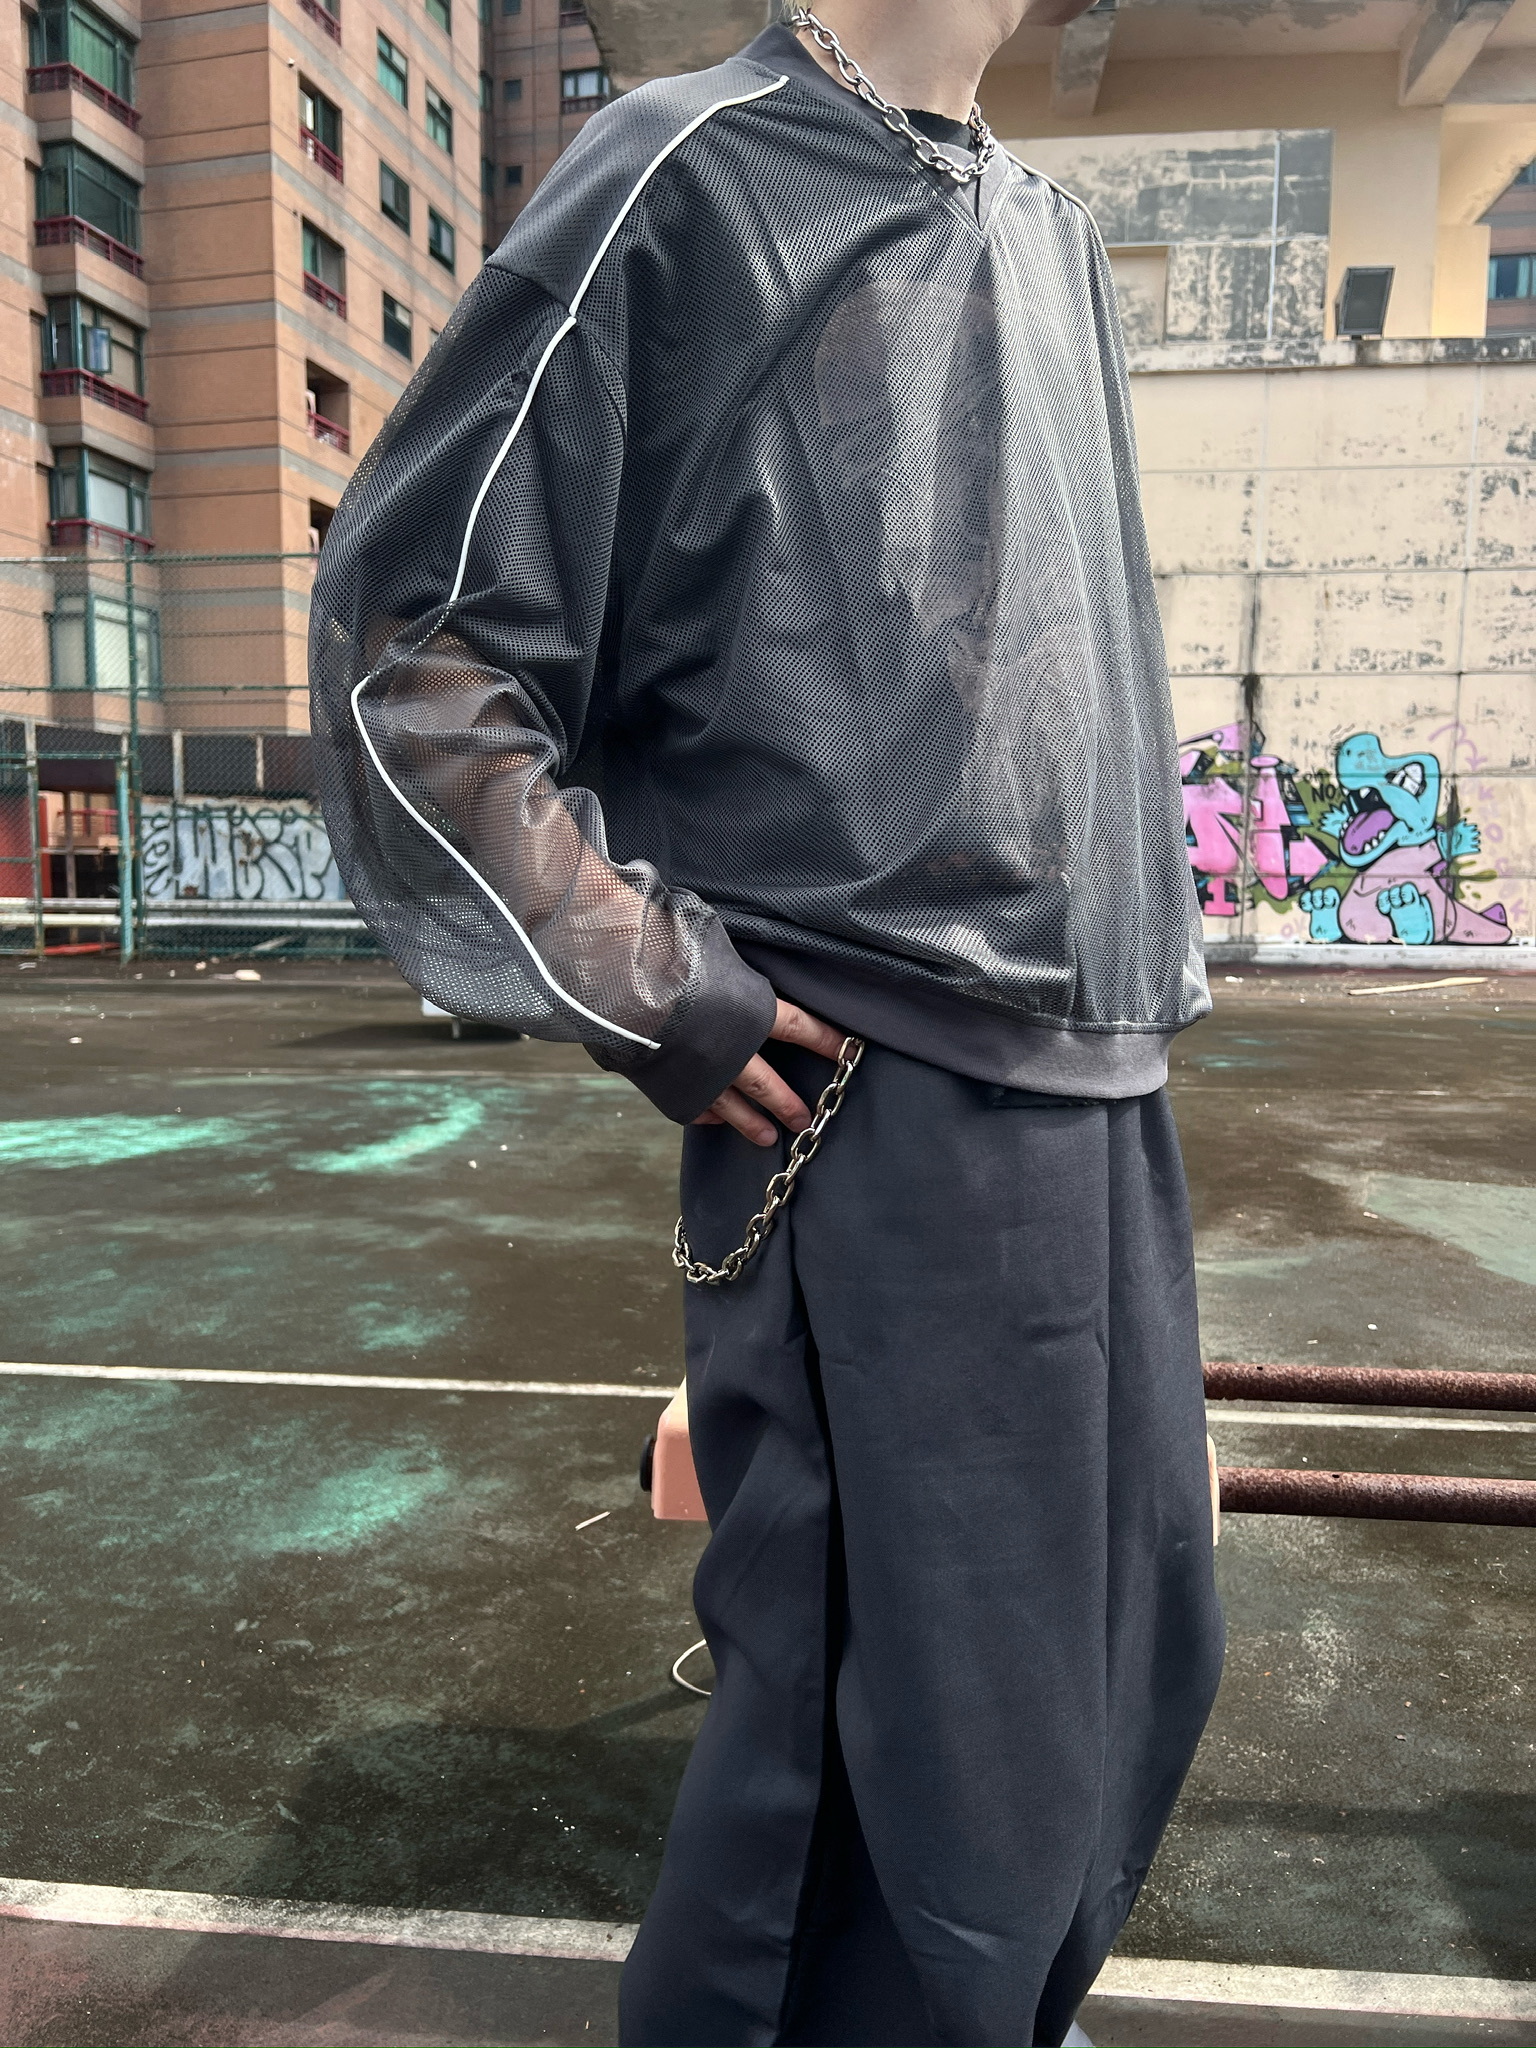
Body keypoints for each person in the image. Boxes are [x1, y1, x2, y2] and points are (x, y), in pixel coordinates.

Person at [309, 1, 1226, 2041]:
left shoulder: (1055, 237)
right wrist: (655, 979)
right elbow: (415, 648)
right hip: (865, 1095)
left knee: (1119, 1695)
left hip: (1106, 1085)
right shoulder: (684, 171)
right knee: (877, 1774)